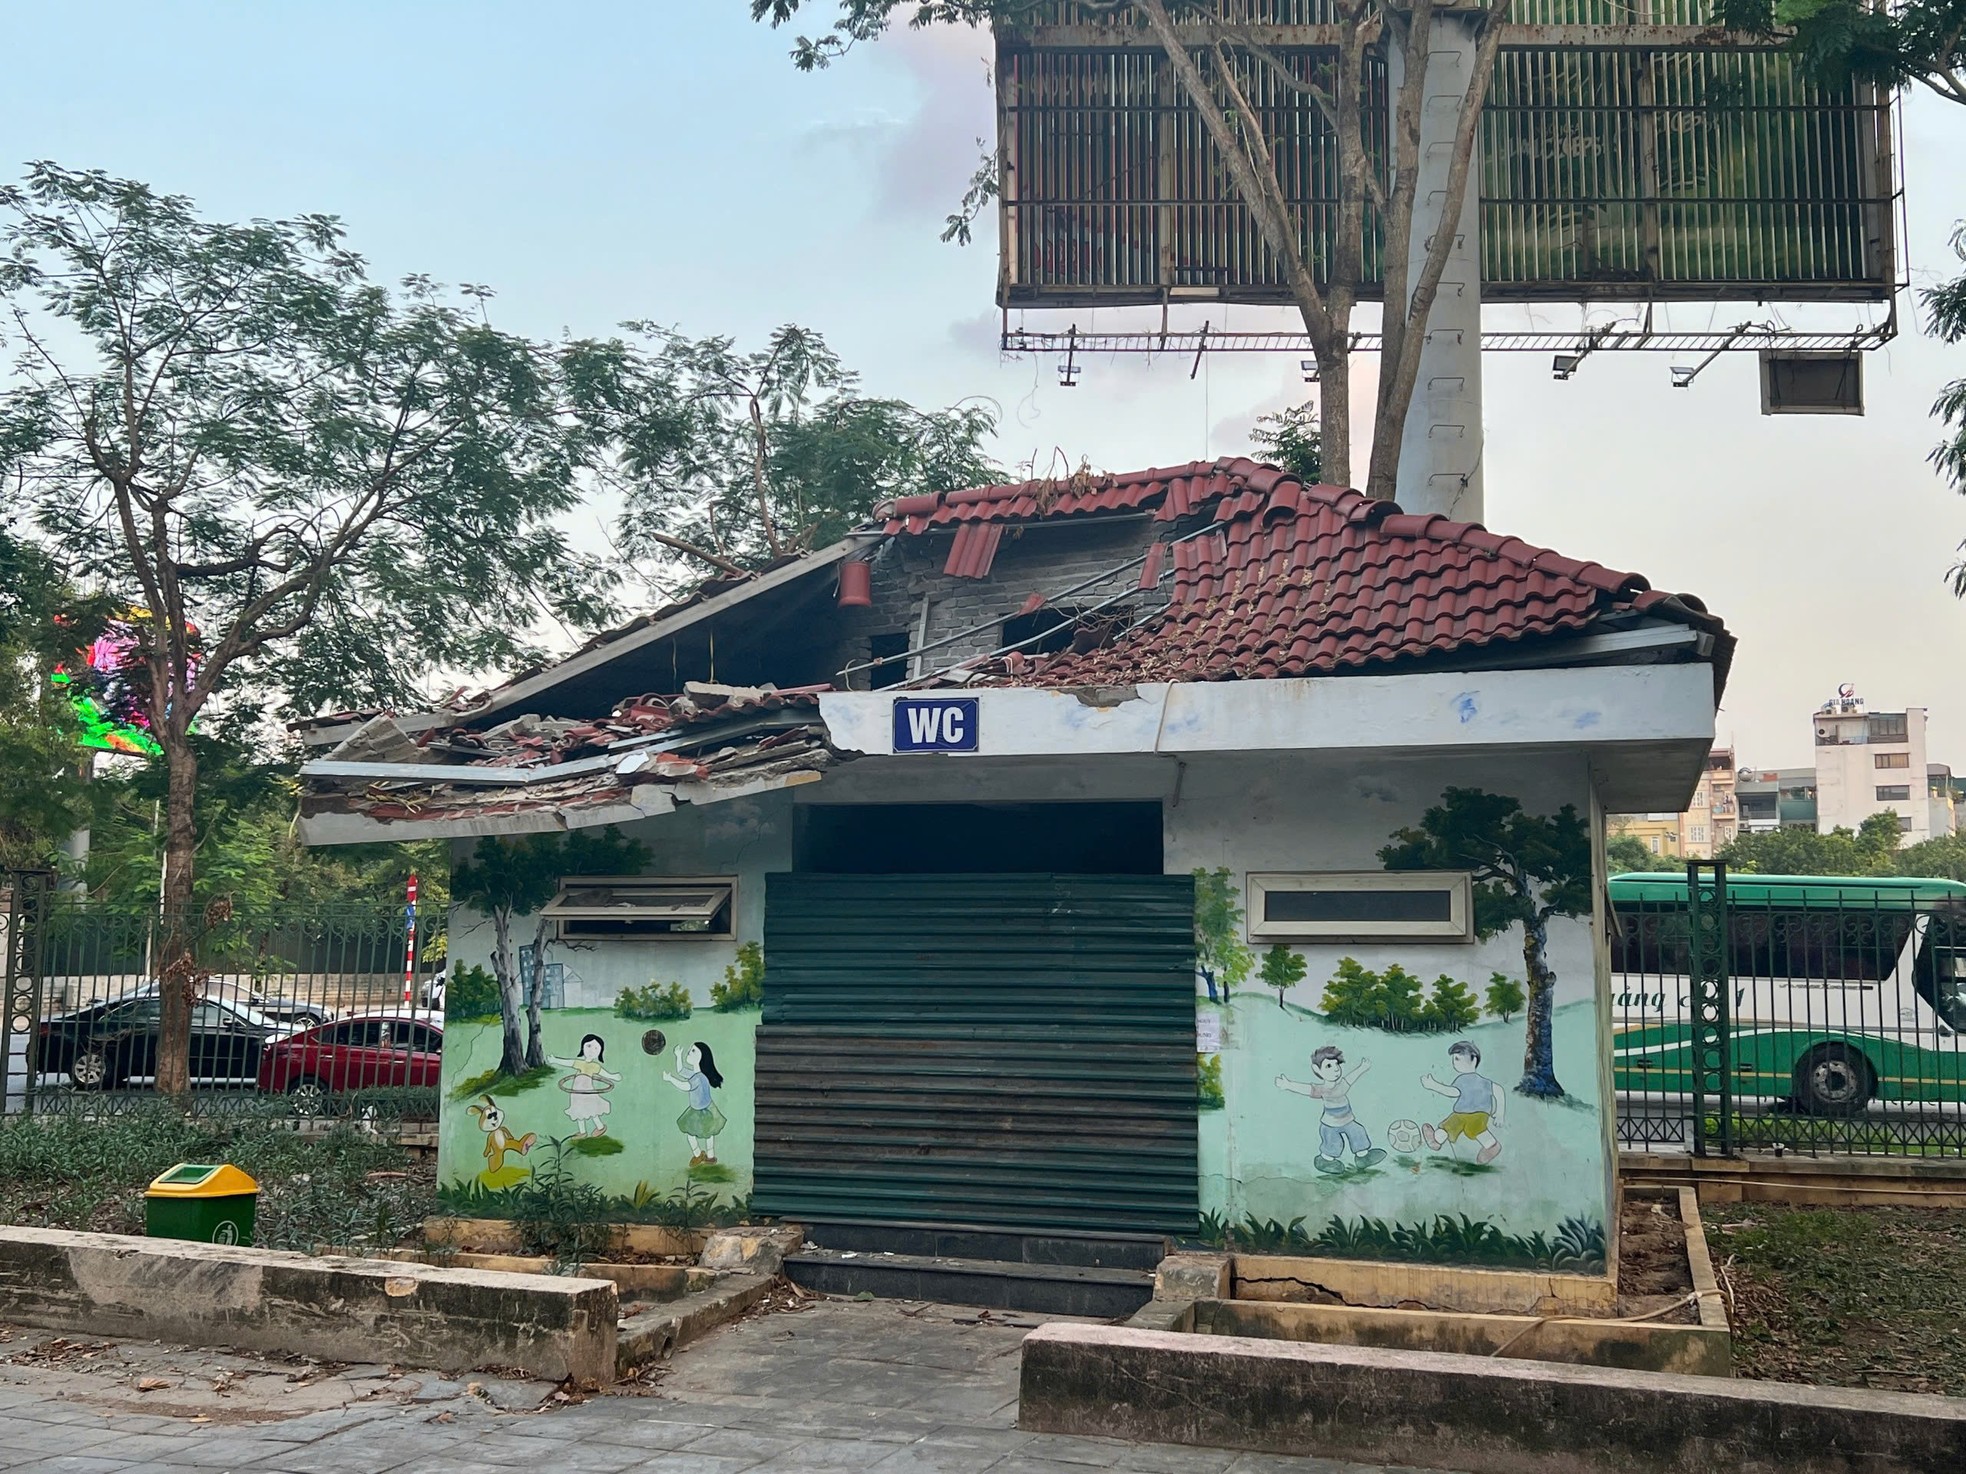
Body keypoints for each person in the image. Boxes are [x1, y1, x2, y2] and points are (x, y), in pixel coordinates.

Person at [1277, 1045, 1386, 1173]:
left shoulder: (1341, 1086)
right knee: (1332, 1143)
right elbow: (1307, 1089)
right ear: (1317, 1070)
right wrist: (1289, 1085)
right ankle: (1326, 1161)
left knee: (1358, 1132)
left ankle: (1363, 1157)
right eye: (1329, 1066)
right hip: (1330, 1124)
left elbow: (1351, 1078)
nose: (1335, 1070)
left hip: (1348, 1121)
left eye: (1336, 1065)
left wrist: (1362, 1068)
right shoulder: (1322, 1090)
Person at [1420, 1040, 1505, 1164]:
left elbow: (1452, 1092)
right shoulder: (1467, 1079)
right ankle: (1436, 1140)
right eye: (1454, 1059)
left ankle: (1492, 1146)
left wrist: (1433, 1085)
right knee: (1449, 1126)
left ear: (1474, 1060)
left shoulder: (1473, 1081)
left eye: (1458, 1059)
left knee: (1476, 1130)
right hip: (1461, 1113)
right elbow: (1499, 1091)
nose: (1455, 1063)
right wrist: (1499, 1112)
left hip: (1478, 1115)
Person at [662, 1041, 727, 1166]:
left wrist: (670, 1079)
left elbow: (685, 1086)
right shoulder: (694, 1073)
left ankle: (708, 1156)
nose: (689, 1052)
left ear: (701, 1057)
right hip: (696, 1110)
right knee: (700, 1134)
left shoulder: (700, 1077)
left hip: (705, 1110)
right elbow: (680, 1071)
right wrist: (678, 1056)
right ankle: (700, 1155)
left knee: (704, 1134)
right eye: (690, 1049)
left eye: (693, 1051)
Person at [548, 1034, 621, 1136]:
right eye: (589, 1046)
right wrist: (555, 1060)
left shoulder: (595, 1066)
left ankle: (600, 1127)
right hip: (576, 1093)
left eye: (596, 1048)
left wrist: (613, 1077)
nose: (592, 1051)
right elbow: (568, 1062)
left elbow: (604, 1073)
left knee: (592, 1109)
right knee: (578, 1111)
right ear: (583, 1047)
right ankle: (582, 1132)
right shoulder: (579, 1063)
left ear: (599, 1052)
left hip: (588, 1092)